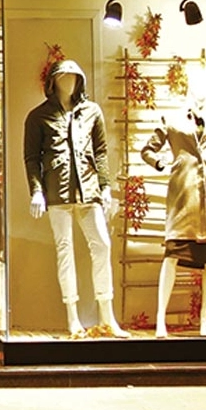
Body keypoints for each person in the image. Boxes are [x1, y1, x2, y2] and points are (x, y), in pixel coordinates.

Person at [24, 58, 127, 338]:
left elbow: (101, 151)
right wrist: (37, 190)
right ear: (53, 82)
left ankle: (107, 314)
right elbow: (32, 158)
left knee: (102, 245)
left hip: (89, 189)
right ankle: (72, 316)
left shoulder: (92, 111)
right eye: (63, 77)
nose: (68, 82)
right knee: (65, 250)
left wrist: (105, 186)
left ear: (80, 80)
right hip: (57, 192)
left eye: (73, 77)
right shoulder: (38, 116)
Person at [141, 102, 206, 337]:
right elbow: (147, 150)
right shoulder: (171, 120)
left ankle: (203, 319)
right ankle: (161, 317)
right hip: (183, 195)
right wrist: (160, 162)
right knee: (172, 254)